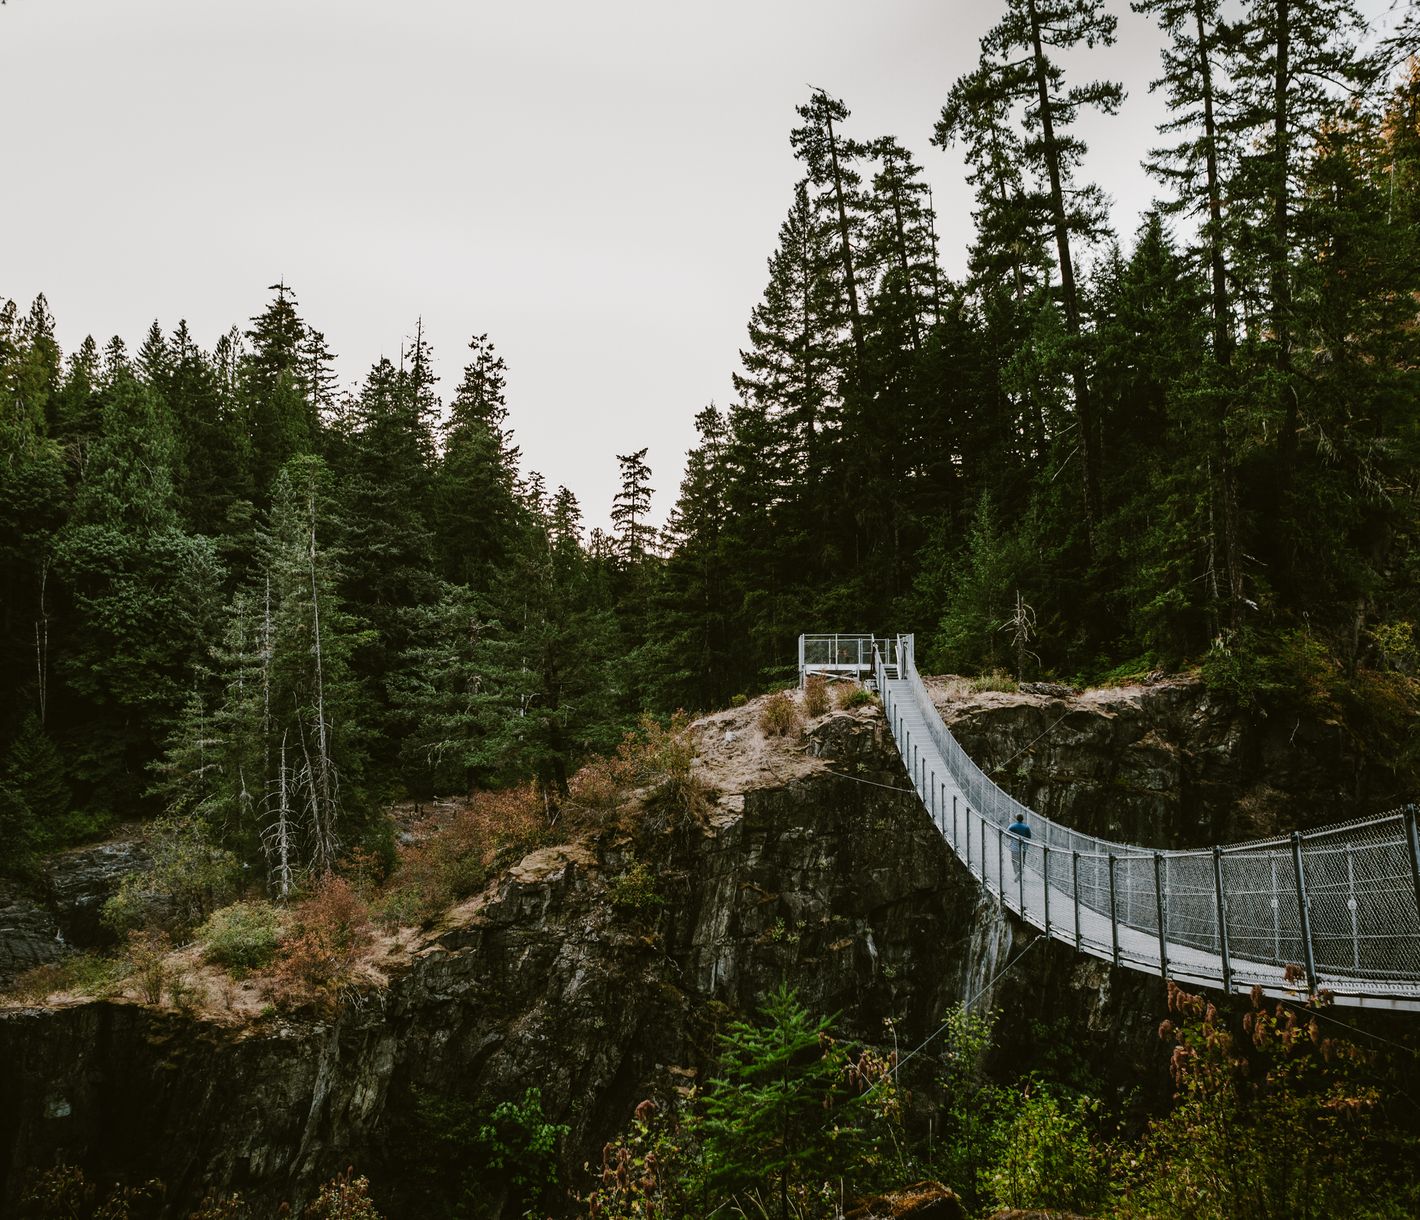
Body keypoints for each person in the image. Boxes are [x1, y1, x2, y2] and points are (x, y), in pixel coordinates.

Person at [1007, 813, 1032, 883]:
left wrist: (1013, 838)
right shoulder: (1026, 827)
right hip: (1023, 848)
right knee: (1022, 862)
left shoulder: (1012, 826)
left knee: (1014, 861)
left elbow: (1007, 835)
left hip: (1014, 848)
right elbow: (1029, 837)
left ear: (1016, 819)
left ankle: (1017, 874)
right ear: (1022, 819)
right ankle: (1019, 874)